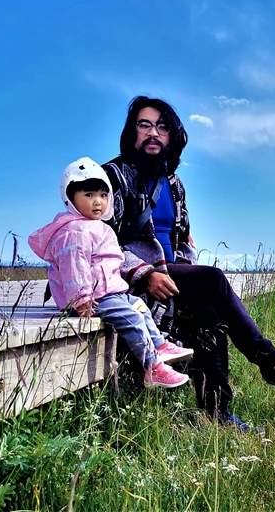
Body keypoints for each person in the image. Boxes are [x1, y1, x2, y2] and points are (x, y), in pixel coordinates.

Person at [103, 96, 275, 430]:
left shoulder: (174, 185)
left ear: (172, 136)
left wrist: (181, 269)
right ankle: (271, 362)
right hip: (130, 283)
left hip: (172, 279)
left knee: (208, 312)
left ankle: (217, 414)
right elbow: (101, 242)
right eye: (144, 125)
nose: (153, 133)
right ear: (131, 132)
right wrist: (145, 274)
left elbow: (183, 241)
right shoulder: (112, 177)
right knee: (213, 279)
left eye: (162, 127)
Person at [28, 157, 195, 389]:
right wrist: (81, 300)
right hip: (93, 300)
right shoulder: (74, 231)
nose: (98, 201)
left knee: (140, 306)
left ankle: (159, 345)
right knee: (132, 319)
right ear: (70, 198)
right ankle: (153, 368)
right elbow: (74, 268)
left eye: (103, 195)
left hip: (111, 294)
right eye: (89, 195)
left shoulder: (97, 227)